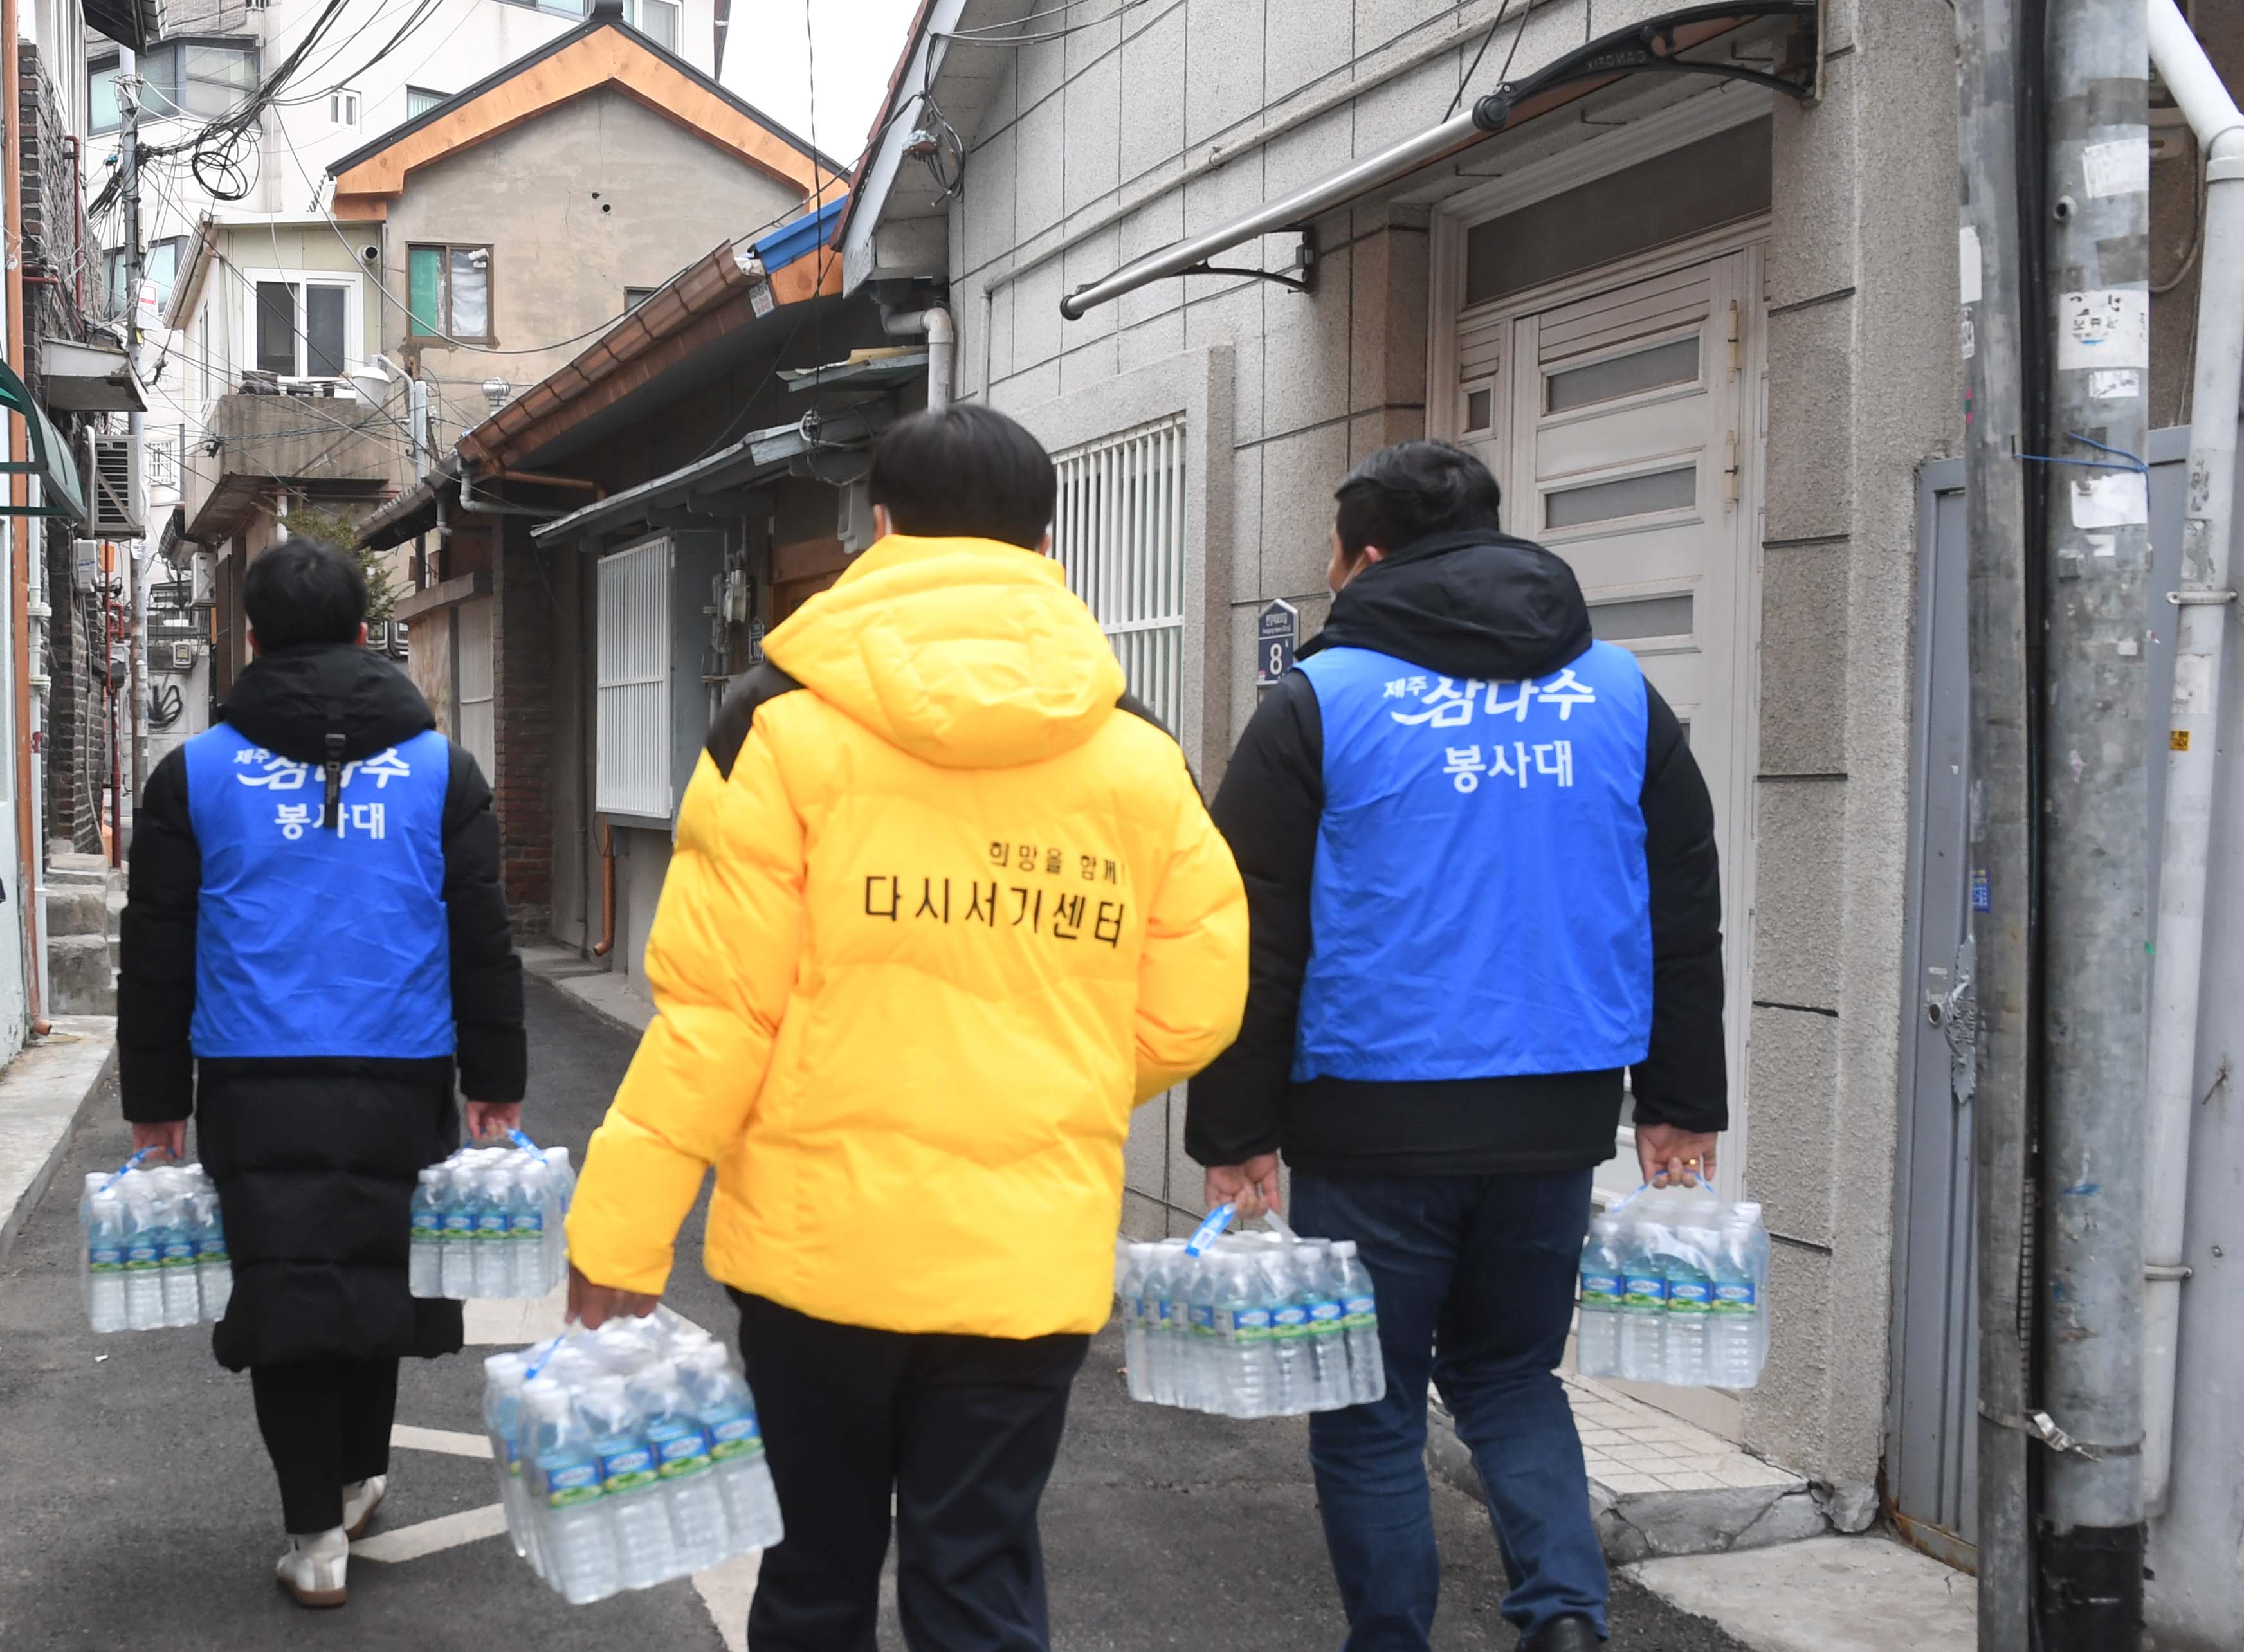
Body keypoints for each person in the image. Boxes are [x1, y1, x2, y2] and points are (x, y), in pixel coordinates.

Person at [559, 403, 1250, 1651]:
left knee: (815, 1577)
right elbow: (1195, 1002)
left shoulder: (778, 731)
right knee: (977, 1584)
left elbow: (716, 1016)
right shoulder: (1135, 756)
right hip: (1023, 1258)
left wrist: (619, 1232)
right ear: (1048, 545)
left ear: (875, 526)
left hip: (817, 1255)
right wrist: (1057, 1074)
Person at [1188, 440, 1726, 1652]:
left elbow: (1249, 933)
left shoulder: (1321, 703)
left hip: (1371, 1117)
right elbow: (1682, 911)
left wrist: (1231, 1132)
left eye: (1331, 555)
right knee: (1508, 1376)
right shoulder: (1620, 696)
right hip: (1556, 1113)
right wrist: (1677, 1102)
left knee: (1370, 1403)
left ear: (1367, 556)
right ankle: (1564, 1620)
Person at [116, 537, 527, 1609]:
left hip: (254, 1077)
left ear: (248, 639)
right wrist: (495, 1078)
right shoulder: (442, 770)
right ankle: (356, 1475)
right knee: (374, 1276)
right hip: (401, 1069)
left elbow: (156, 947)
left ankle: (315, 1537)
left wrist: (156, 1105)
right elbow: (483, 935)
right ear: (364, 631)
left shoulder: (196, 772)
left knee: (287, 1289)